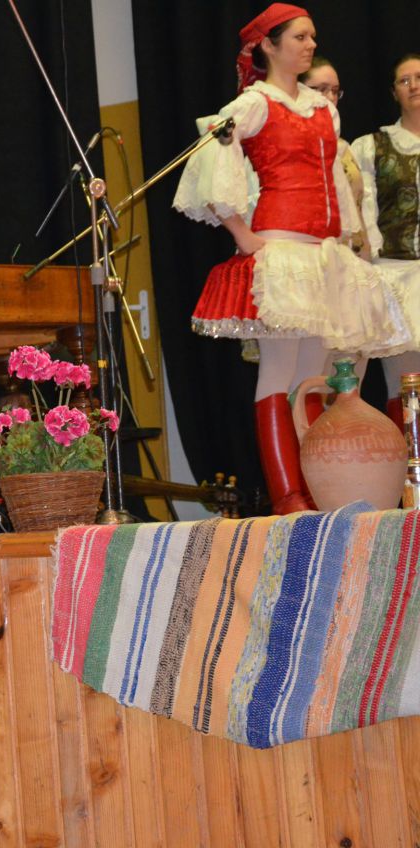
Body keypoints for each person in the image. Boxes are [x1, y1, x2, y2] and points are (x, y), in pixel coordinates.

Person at [172, 3, 410, 514]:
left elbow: (334, 182)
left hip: (323, 255)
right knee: (280, 373)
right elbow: (211, 159)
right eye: (300, 37)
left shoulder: (322, 108)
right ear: (268, 45)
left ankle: (317, 489)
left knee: (313, 377)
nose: (310, 45)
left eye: (312, 36)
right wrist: (242, 233)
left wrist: (346, 241)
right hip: (281, 251)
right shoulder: (253, 104)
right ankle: (287, 496)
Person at [351, 53, 420, 427]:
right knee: (407, 384)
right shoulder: (372, 147)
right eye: (404, 80)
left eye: (419, 77)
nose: (414, 86)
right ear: (394, 92)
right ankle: (413, 462)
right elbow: (362, 214)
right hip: (397, 275)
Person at [301, 56, 367, 253]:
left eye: (335, 91)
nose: (330, 97)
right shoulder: (282, 146)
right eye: (321, 89)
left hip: (349, 253)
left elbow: (359, 209)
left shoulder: (344, 149)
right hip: (306, 252)